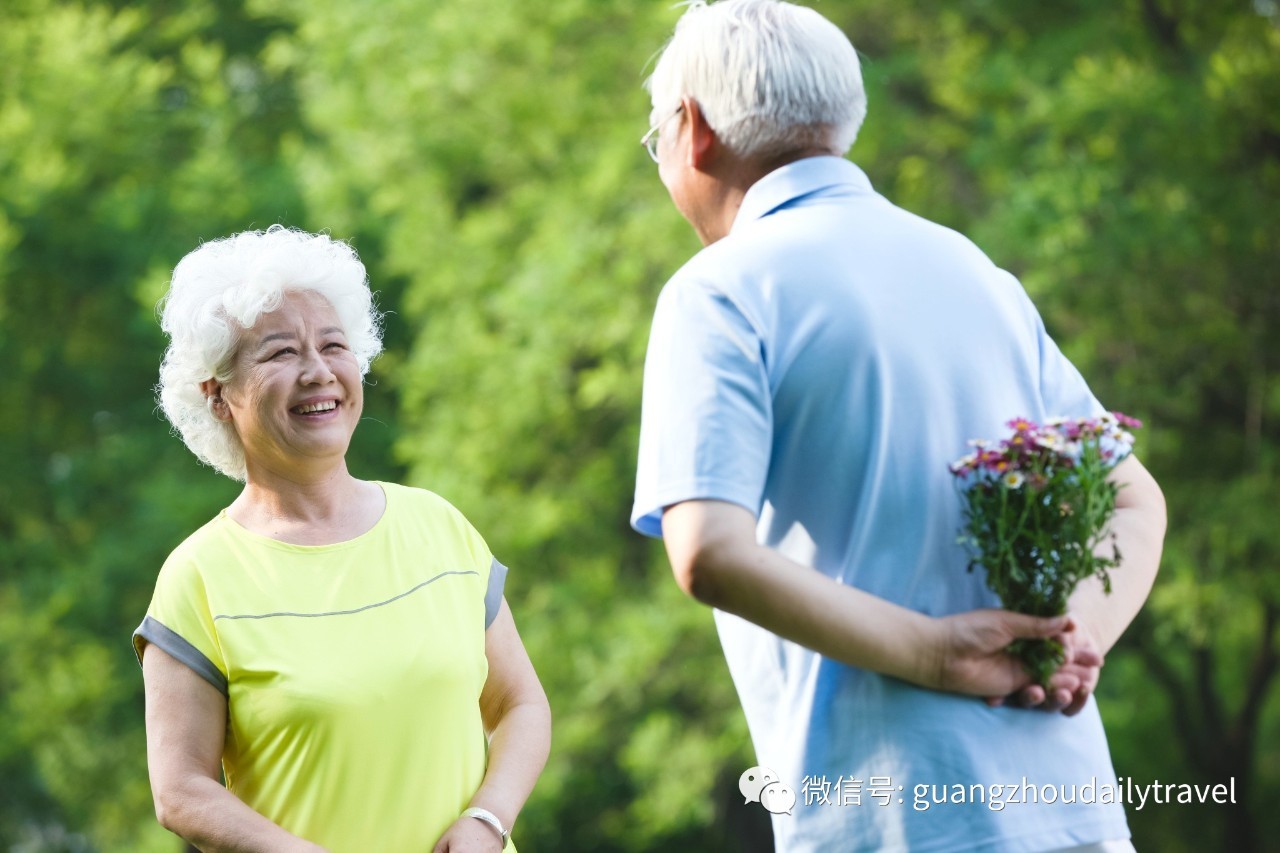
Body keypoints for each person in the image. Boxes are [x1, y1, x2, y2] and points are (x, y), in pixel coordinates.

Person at [630, 2, 1166, 851]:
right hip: (1073, 813)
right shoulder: (975, 269)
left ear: (693, 130)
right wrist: (1071, 642)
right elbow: (1136, 501)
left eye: (656, 134)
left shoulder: (719, 290)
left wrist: (942, 656)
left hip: (891, 818)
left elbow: (708, 551)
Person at [134, 225, 550, 852]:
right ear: (219, 397)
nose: (318, 372)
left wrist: (488, 819)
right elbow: (181, 790)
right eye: (280, 354)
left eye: (333, 345)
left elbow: (521, 706)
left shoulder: (438, 526)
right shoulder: (199, 575)